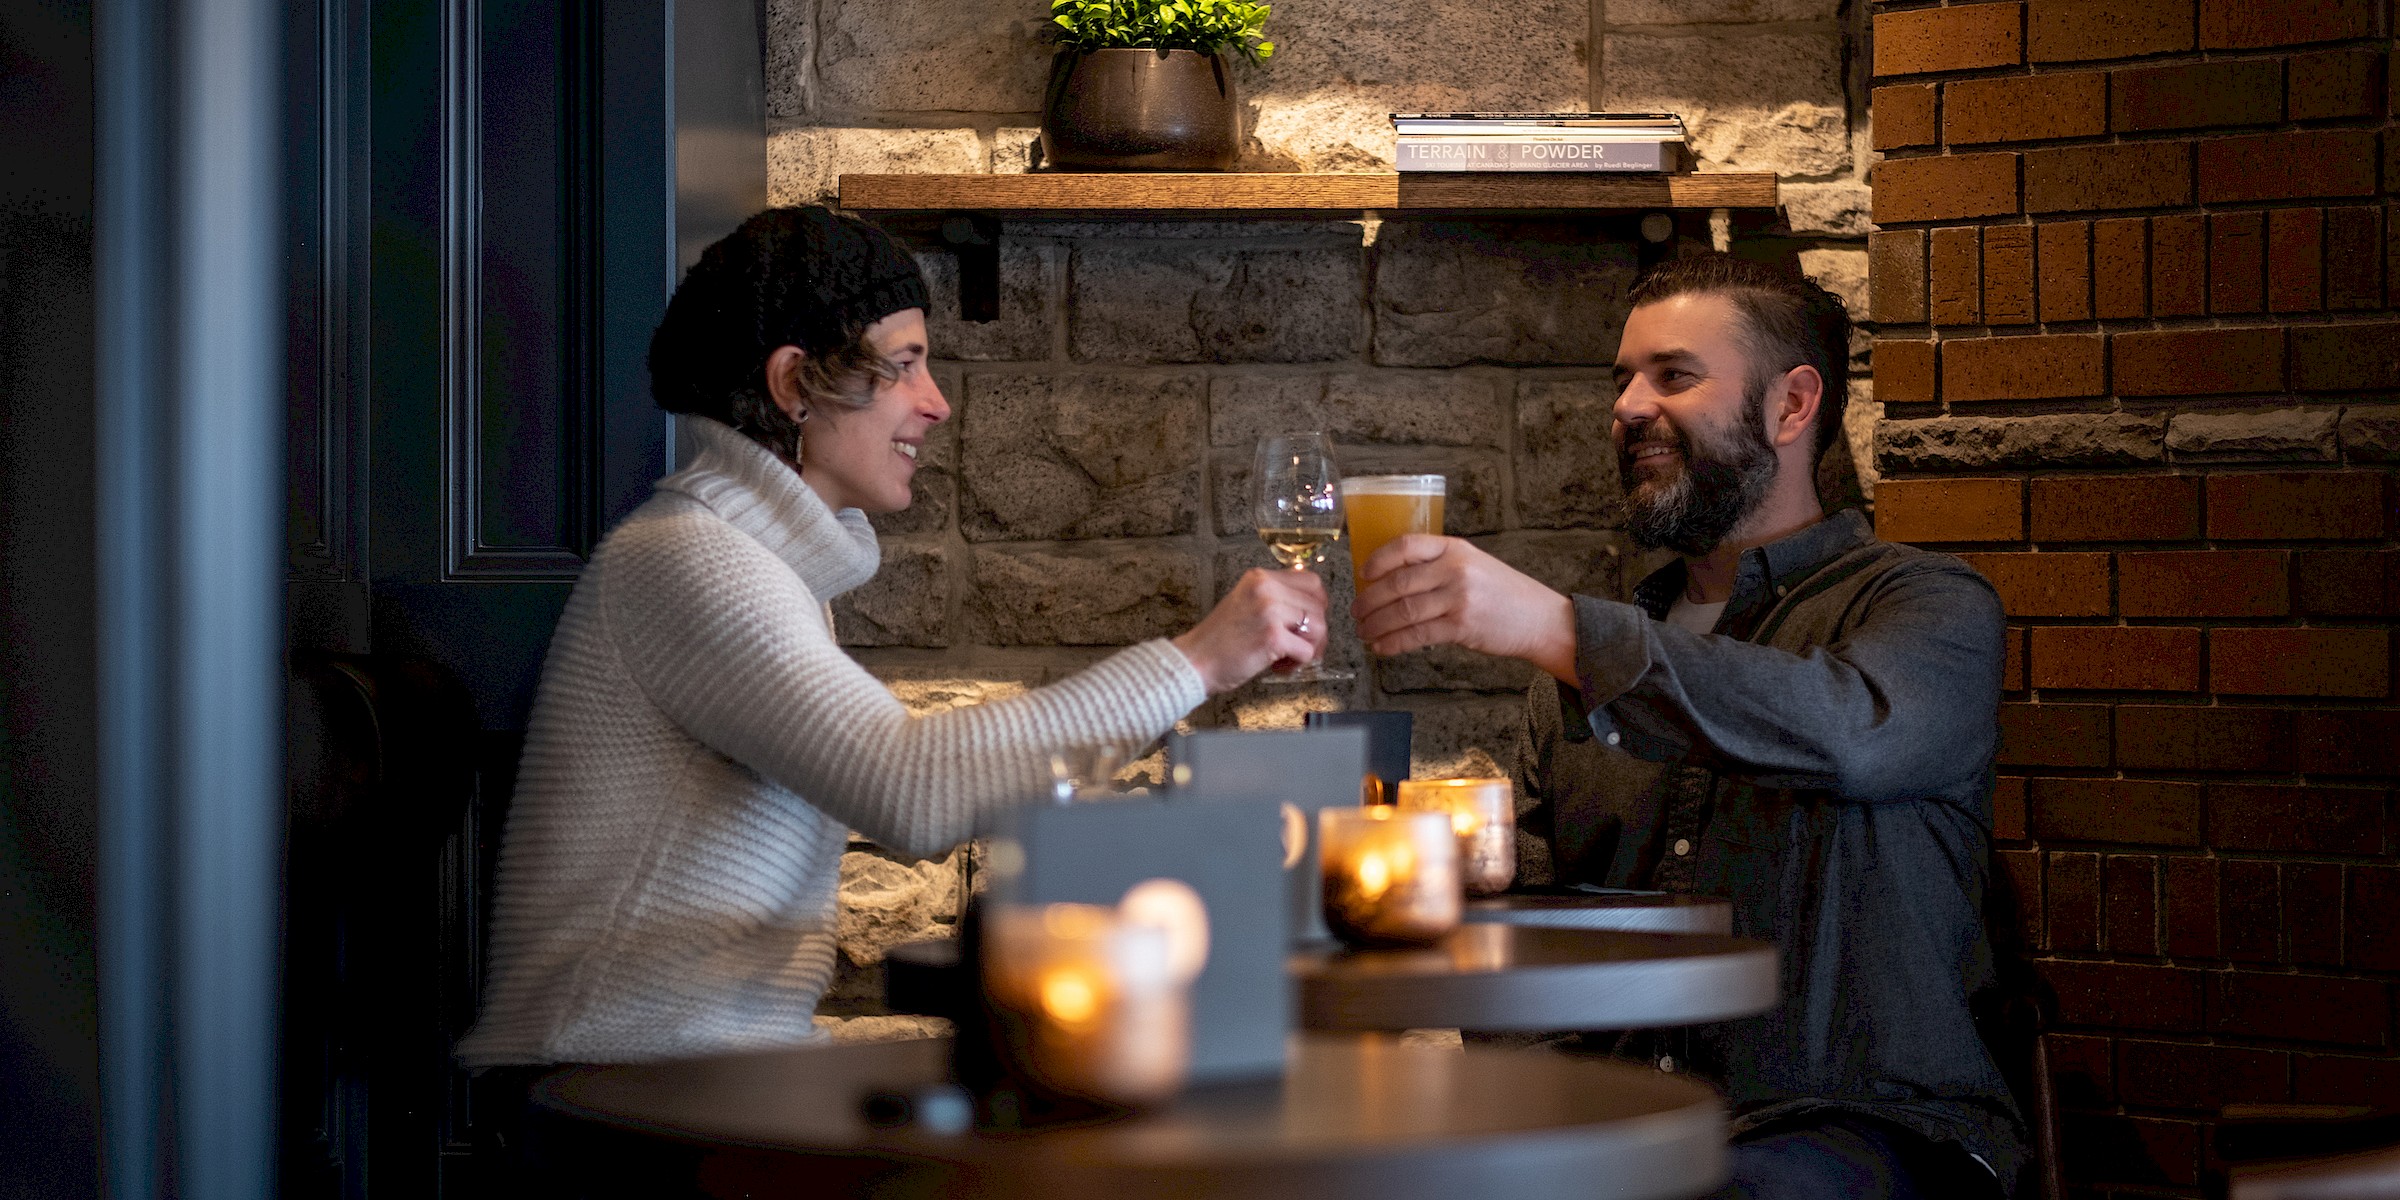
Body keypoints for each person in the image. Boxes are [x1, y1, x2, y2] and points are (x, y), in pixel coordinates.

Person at [457, 206, 1326, 1069]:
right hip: (610, 1084)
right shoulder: (692, 560)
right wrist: (1198, 660)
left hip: (701, 1068)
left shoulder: (753, 562)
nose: (936, 403)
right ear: (795, 385)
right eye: (905, 366)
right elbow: (910, 788)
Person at [1349, 254, 2023, 1198]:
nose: (1626, 406)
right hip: (1620, 1133)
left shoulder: (1925, 606)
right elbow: (1520, 946)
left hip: (1864, 1131)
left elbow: (1852, 734)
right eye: (1622, 378)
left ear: (1793, 408)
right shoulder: (1573, 678)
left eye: (1673, 376)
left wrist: (1561, 630)